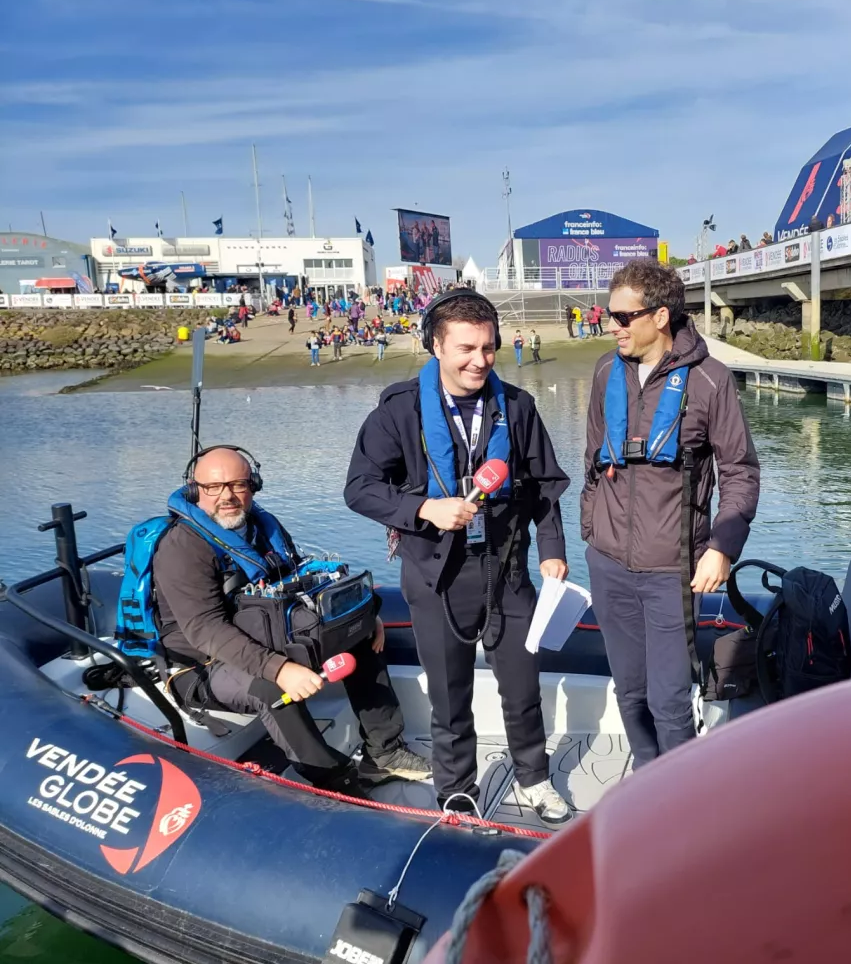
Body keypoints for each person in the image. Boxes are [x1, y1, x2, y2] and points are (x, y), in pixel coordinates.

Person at [344, 288, 574, 823]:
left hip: (507, 569)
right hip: (433, 575)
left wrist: (553, 551)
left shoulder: (518, 407)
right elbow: (360, 489)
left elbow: (546, 484)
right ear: (435, 346)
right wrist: (425, 508)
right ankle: (456, 790)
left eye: (489, 348)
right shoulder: (397, 412)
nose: (479, 361)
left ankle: (535, 779)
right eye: (466, 348)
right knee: (450, 696)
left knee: (522, 688)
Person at [152, 447, 429, 795]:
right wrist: (279, 669)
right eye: (214, 487)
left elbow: (300, 581)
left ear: (253, 486)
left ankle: (385, 751)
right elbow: (205, 629)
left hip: (262, 632)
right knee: (270, 687)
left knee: (361, 637)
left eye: (238, 485)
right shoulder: (183, 548)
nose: (227, 496)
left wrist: (359, 617)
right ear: (195, 490)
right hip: (201, 663)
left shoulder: (262, 527)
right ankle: (334, 781)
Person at [581, 259, 760, 770]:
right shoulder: (602, 372)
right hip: (609, 563)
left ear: (660, 316)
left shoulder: (711, 381)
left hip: (671, 568)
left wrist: (722, 547)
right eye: (607, 316)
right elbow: (594, 459)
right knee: (630, 693)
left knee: (669, 702)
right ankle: (645, 778)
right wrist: (591, 532)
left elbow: (741, 472)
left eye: (621, 316)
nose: (610, 325)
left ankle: (676, 799)